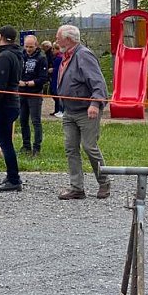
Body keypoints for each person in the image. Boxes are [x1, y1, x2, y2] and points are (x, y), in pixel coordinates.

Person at [54, 24, 110, 200]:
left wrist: (95, 103)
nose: (56, 40)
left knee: (89, 147)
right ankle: (77, 188)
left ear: (68, 39)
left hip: (86, 111)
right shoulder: (67, 56)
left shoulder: (83, 55)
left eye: (58, 37)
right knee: (71, 148)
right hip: (69, 110)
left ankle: (104, 182)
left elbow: (98, 82)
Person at [0, 25, 24, 192]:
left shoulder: (5, 57)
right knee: (5, 141)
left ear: (0, 36)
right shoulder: (15, 55)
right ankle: (11, 175)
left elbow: (0, 84)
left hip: (4, 105)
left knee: (5, 143)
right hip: (12, 102)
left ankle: (14, 179)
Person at [18, 35, 49, 156]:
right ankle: (26, 146)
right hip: (21, 93)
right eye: (26, 46)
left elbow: (43, 78)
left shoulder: (41, 58)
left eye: (31, 47)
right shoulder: (21, 56)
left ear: (36, 46)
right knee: (23, 120)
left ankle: (37, 148)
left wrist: (28, 83)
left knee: (35, 121)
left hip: (35, 93)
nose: (28, 49)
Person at [48, 42, 65, 117]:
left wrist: (53, 70)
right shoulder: (57, 57)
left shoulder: (60, 58)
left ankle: (61, 110)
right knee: (54, 93)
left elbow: (60, 69)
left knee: (57, 94)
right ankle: (57, 109)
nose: (52, 50)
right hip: (54, 78)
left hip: (57, 78)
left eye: (53, 49)